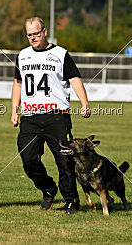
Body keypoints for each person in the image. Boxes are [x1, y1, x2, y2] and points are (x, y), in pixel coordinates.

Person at [11, 17, 91, 215]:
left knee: (64, 161)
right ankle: (47, 187)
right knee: (28, 158)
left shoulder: (61, 54)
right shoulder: (22, 55)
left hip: (57, 117)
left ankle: (71, 200)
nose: (33, 38)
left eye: (36, 34)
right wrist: (14, 109)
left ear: (45, 31)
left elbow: (74, 79)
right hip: (30, 117)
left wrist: (84, 102)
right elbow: (18, 84)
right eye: (29, 35)